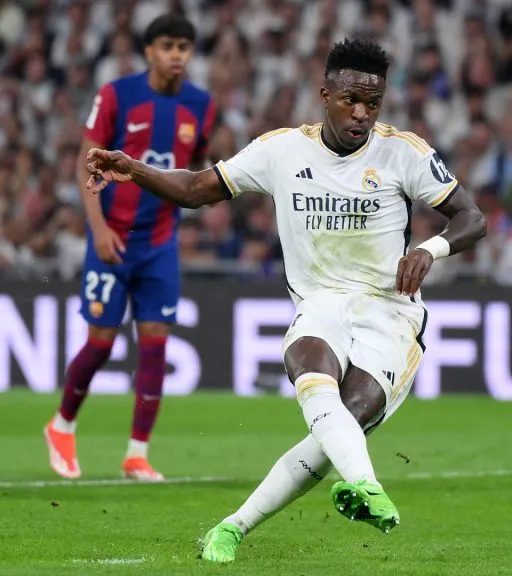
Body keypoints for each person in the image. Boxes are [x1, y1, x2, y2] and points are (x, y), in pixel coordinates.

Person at [83, 38, 487, 561]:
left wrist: (430, 250)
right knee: (310, 370)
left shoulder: (403, 151)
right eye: (350, 101)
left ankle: (232, 526)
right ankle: (368, 487)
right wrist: (132, 168)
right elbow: (194, 189)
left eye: (373, 103)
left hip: (391, 314)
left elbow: (472, 218)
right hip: (320, 303)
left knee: (343, 422)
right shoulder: (280, 150)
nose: (361, 114)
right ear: (325, 94)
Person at [43, 14, 216, 482]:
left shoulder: (201, 105)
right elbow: (88, 160)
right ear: (149, 51)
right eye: (167, 45)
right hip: (113, 236)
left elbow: (196, 166)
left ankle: (137, 454)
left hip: (160, 242)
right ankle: (62, 425)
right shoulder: (118, 94)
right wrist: (96, 227)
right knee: (101, 342)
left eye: (184, 46)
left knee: (156, 347)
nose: (176, 54)